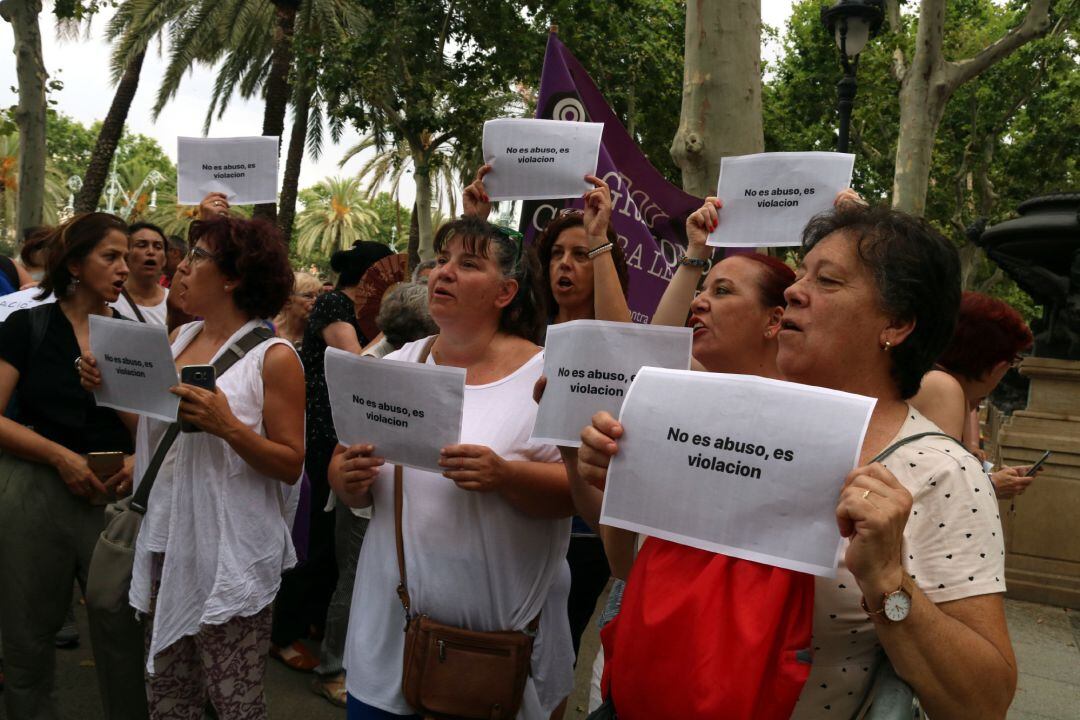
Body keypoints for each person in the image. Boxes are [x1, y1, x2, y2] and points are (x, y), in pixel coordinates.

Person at [581, 204, 1016, 719]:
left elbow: (983, 702)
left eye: (827, 280)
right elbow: (630, 570)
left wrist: (886, 580)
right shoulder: (715, 416)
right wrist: (622, 489)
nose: (793, 290)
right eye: (801, 273)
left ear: (897, 324)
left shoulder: (940, 472)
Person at [330, 216, 574, 719]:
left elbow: (579, 494)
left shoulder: (545, 376)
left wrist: (505, 477)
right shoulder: (396, 366)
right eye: (441, 261)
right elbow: (347, 474)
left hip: (487, 657)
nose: (443, 273)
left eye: (468, 264)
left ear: (505, 292)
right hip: (386, 640)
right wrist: (347, 478)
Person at [81, 215, 305, 719]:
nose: (181, 265)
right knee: (170, 695)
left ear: (232, 277)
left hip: (230, 554)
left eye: (198, 256)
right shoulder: (180, 338)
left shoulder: (274, 357)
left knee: (234, 701)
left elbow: (291, 465)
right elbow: (156, 427)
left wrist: (228, 426)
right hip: (168, 541)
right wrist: (105, 386)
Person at [0, 212, 148, 720]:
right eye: (112, 256)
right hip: (35, 490)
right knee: (25, 632)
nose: (125, 267)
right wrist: (59, 457)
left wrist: (132, 461)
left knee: (123, 633)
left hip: (112, 501)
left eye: (127, 257)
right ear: (76, 264)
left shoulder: (135, 336)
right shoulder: (29, 324)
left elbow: (149, 432)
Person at [271, 241, 394, 672]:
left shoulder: (357, 311)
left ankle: (313, 621)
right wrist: (395, 329)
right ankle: (283, 632)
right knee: (314, 538)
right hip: (322, 436)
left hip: (343, 433)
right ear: (374, 273)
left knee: (330, 542)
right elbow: (358, 364)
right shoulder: (335, 306)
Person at [911, 291, 1038, 499]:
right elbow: (939, 491)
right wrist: (991, 485)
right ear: (998, 364)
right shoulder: (942, 387)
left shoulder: (927, 378)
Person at [112, 221, 170, 325]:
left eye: (158, 247)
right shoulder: (110, 299)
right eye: (142, 245)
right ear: (126, 255)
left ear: (165, 259)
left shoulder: (174, 303)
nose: (151, 252)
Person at [275, 271, 322, 349]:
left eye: (318, 296)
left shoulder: (321, 335)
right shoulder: (268, 331)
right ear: (287, 301)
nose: (316, 301)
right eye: (308, 296)